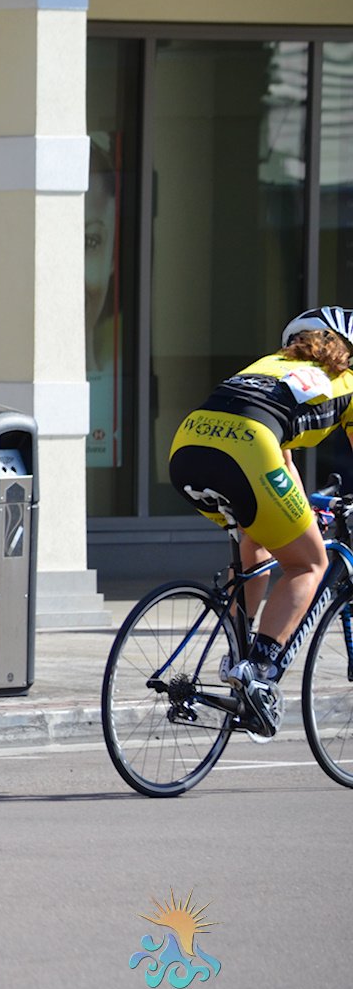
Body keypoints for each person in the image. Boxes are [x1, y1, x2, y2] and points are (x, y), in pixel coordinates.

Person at [168, 305, 353, 736]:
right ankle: (260, 669)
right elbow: (268, 454)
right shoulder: (346, 380)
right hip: (250, 449)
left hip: (186, 446)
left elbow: (282, 460)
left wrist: (299, 510)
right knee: (309, 563)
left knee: (258, 540)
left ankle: (238, 652)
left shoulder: (269, 366)